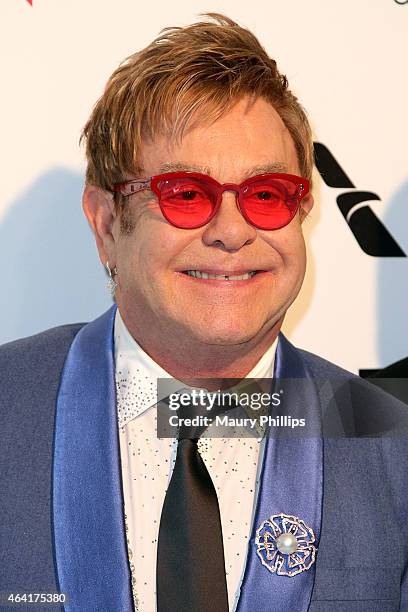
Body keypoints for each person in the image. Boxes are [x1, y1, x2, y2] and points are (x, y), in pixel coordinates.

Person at [1, 13, 408, 612]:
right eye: (187, 194)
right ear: (109, 224)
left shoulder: (389, 439)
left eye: (267, 195)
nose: (231, 231)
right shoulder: (10, 401)